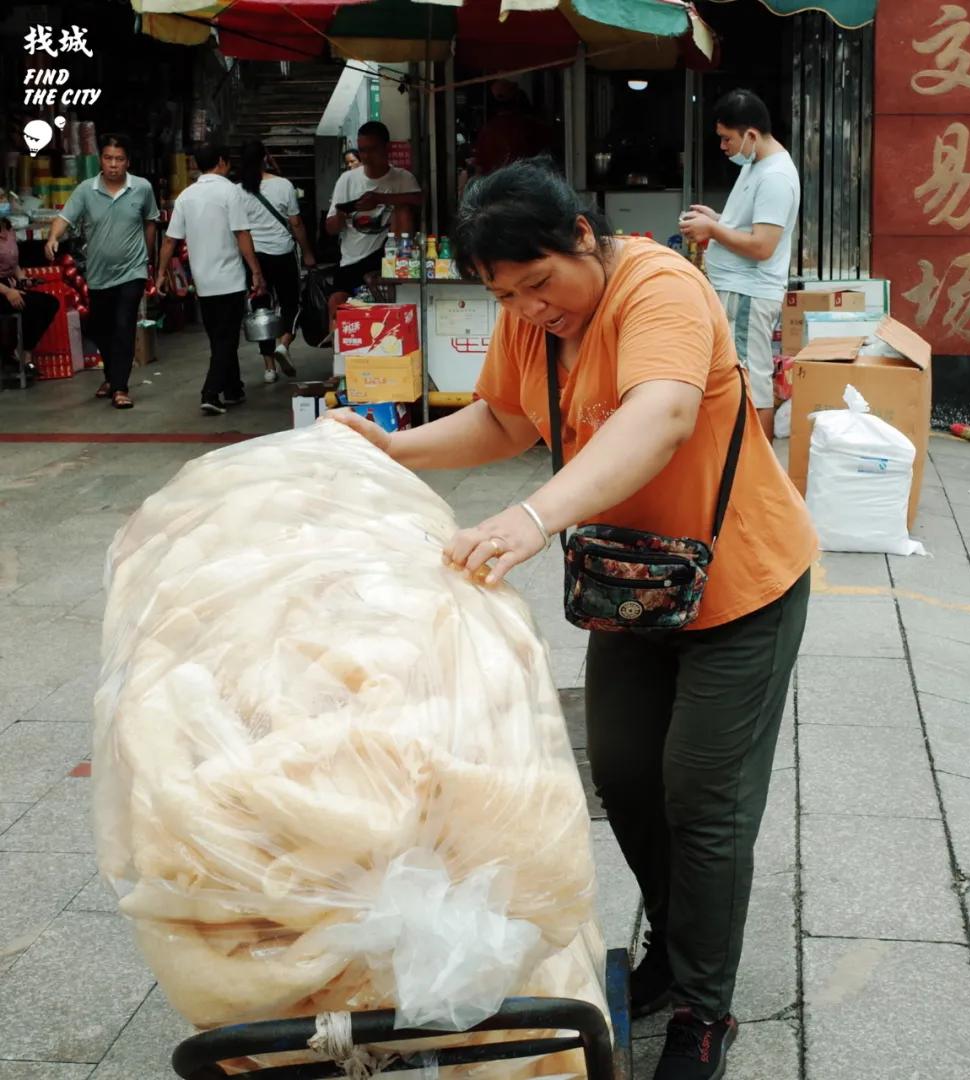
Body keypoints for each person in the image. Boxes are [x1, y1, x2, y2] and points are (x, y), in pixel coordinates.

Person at [327, 160, 816, 1080]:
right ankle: (677, 943)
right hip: (634, 586)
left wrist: (531, 516)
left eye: (540, 283)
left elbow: (663, 414)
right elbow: (504, 421)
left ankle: (705, 1011)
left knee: (704, 799)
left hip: (740, 584)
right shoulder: (530, 321)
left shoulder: (659, 285)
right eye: (507, 295)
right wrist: (394, 447)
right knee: (629, 779)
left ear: (583, 238)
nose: (529, 308)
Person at [679, 89, 801, 443]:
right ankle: (738, 460)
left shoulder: (775, 176)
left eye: (726, 138)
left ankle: (756, 469)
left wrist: (713, 229)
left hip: (748, 293)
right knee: (738, 377)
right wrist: (716, 219)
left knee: (751, 381)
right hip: (735, 291)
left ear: (750, 134)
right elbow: (753, 228)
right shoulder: (757, 165)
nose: (722, 146)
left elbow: (763, 246)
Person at [45, 134, 159, 409]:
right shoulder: (86, 189)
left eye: (119, 159)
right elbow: (64, 218)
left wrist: (146, 257)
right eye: (108, 158)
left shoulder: (142, 188)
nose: (113, 164)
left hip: (132, 271)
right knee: (99, 327)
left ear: (127, 162)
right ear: (101, 161)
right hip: (98, 275)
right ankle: (111, 375)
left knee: (123, 326)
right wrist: (53, 237)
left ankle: (120, 387)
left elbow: (151, 222)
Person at [156, 142, 265, 416]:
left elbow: (170, 240)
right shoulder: (231, 192)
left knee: (219, 337)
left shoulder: (186, 196)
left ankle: (233, 388)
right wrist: (255, 270)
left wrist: (160, 273)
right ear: (222, 162)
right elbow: (242, 234)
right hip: (229, 278)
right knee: (227, 339)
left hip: (203, 281)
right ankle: (211, 392)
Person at [236, 140, 316, 383]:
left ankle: (269, 367)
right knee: (292, 302)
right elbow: (296, 223)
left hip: (254, 257)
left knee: (262, 309)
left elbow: (239, 230)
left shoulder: (238, 190)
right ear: (265, 158)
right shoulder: (284, 185)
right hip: (282, 253)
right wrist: (308, 252)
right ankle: (284, 344)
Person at [324, 121, 420, 323]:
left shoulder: (402, 178)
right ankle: (339, 348)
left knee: (403, 209)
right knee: (336, 305)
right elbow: (330, 228)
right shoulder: (347, 180)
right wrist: (343, 213)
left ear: (386, 148)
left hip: (388, 255)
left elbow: (419, 199)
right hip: (352, 259)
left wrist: (380, 199)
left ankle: (397, 267)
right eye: (362, 151)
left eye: (372, 150)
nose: (366, 156)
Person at [0, 216, 60, 376]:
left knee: (49, 303)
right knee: (30, 307)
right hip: (3, 290)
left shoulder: (8, 229)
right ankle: (11, 353)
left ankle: (25, 351)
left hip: (10, 284)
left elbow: (13, 264)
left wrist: (23, 280)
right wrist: (7, 291)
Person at [473, 80, 555, 176]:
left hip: (497, 186)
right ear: (516, 99)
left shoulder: (487, 131)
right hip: (527, 184)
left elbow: (479, 168)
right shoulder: (531, 127)